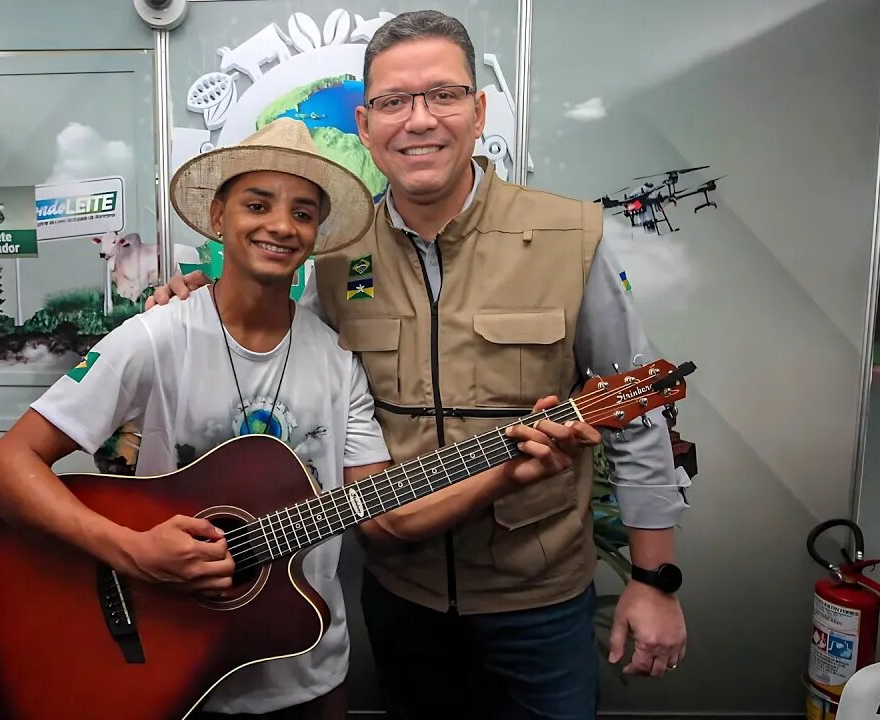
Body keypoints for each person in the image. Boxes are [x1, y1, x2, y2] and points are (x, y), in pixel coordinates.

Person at [148, 10, 691, 720]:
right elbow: (271, 348)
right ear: (367, 125)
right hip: (401, 599)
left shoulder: (568, 236)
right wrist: (197, 302)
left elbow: (636, 412)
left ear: (478, 110)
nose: (420, 120)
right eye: (394, 102)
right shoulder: (334, 253)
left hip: (541, 599)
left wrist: (655, 579)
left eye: (443, 94)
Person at [0, 118, 590, 719]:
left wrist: (506, 472)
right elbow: (3, 469)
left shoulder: (338, 359)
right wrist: (134, 552)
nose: (280, 226)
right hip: (171, 660)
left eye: (302, 213)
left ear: (317, 233)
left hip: (306, 662)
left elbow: (386, 519)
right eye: (257, 204)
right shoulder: (156, 338)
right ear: (219, 217)